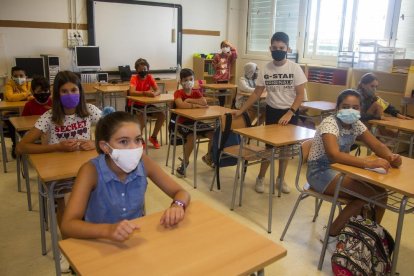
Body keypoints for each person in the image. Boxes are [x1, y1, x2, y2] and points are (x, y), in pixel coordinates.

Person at [16, 70, 101, 273]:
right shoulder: (50, 117)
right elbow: (22, 147)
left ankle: (95, 239)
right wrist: (56, 147)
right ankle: (68, 248)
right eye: (64, 91)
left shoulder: (90, 110)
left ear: (80, 91)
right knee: (68, 200)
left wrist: (95, 142)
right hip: (59, 174)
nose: (70, 94)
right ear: (57, 94)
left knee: (105, 191)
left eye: (73, 90)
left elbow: (115, 130)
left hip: (87, 169)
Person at [61, 111, 190, 241]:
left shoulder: (144, 162)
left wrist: (177, 205)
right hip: (99, 241)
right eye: (123, 141)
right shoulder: (90, 171)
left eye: (138, 140)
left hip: (133, 239)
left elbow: (181, 192)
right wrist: (108, 230)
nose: (133, 148)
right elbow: (68, 224)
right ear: (105, 147)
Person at [306, 89, 401, 251]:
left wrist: (391, 157)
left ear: (360, 110)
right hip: (320, 172)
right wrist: (368, 163)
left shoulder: (356, 123)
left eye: (355, 107)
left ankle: (368, 235)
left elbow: (376, 145)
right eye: (346, 106)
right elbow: (334, 154)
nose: (351, 110)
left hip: (341, 170)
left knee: (381, 194)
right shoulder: (330, 123)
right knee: (367, 196)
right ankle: (331, 234)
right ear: (337, 108)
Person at [233, 32, 307, 194]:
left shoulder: (295, 68)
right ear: (270, 49)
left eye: (281, 48)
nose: (278, 50)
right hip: (272, 111)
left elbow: (300, 95)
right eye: (274, 48)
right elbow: (256, 93)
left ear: (288, 48)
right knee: (270, 148)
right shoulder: (266, 69)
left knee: (286, 149)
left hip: (290, 112)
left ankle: (280, 179)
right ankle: (261, 177)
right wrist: (241, 110)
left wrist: (290, 113)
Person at [173, 68, 214, 177]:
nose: (188, 82)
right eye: (186, 80)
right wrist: (196, 105)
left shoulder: (196, 92)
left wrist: (190, 100)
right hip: (183, 123)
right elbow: (181, 105)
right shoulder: (178, 93)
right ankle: (184, 163)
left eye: (191, 79)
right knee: (192, 137)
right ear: (181, 81)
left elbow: (204, 102)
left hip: (197, 121)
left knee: (214, 134)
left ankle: (208, 157)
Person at [128, 58, 165, 149]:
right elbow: (132, 92)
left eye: (145, 69)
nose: (143, 71)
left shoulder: (149, 77)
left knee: (162, 115)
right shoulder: (134, 78)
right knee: (142, 120)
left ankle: (153, 137)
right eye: (141, 70)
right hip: (135, 105)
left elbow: (158, 90)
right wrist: (145, 93)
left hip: (146, 104)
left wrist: (154, 94)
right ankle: (139, 138)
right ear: (137, 70)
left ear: (147, 69)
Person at [3, 66, 33, 158]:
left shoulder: (30, 84)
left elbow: (33, 97)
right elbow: (10, 97)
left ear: (25, 76)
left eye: (21, 75)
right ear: (12, 77)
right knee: (12, 122)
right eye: (16, 76)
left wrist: (20, 95)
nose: (19, 78)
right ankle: (15, 145)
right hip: (12, 112)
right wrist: (27, 94)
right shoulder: (9, 84)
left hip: (27, 111)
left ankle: (28, 143)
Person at [212, 40, 238, 106]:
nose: (225, 48)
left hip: (226, 78)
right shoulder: (217, 56)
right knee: (221, 93)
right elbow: (214, 67)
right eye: (223, 46)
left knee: (223, 93)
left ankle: (222, 106)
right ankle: (221, 106)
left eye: (226, 46)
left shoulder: (229, 56)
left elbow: (235, 54)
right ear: (221, 47)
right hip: (218, 78)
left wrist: (231, 46)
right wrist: (218, 64)